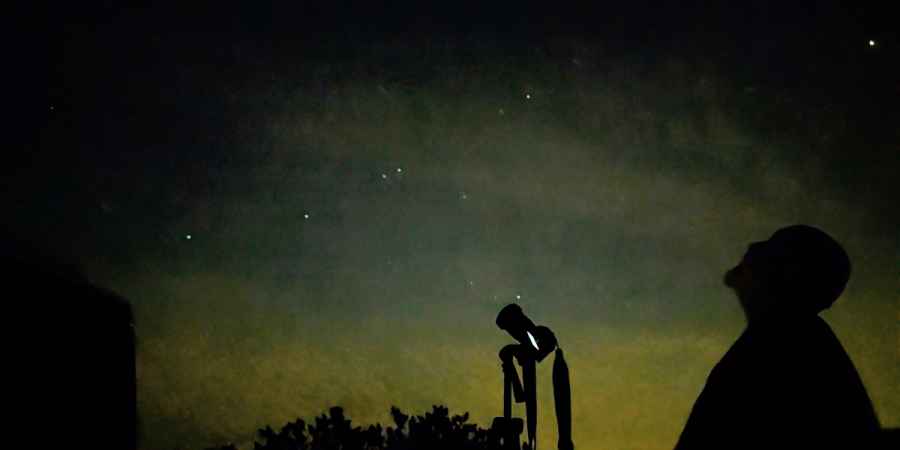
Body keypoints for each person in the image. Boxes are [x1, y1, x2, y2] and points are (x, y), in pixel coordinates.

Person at [674, 225, 881, 449]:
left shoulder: (781, 345)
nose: (753, 246)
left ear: (789, 273)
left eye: (772, 248)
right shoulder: (792, 340)